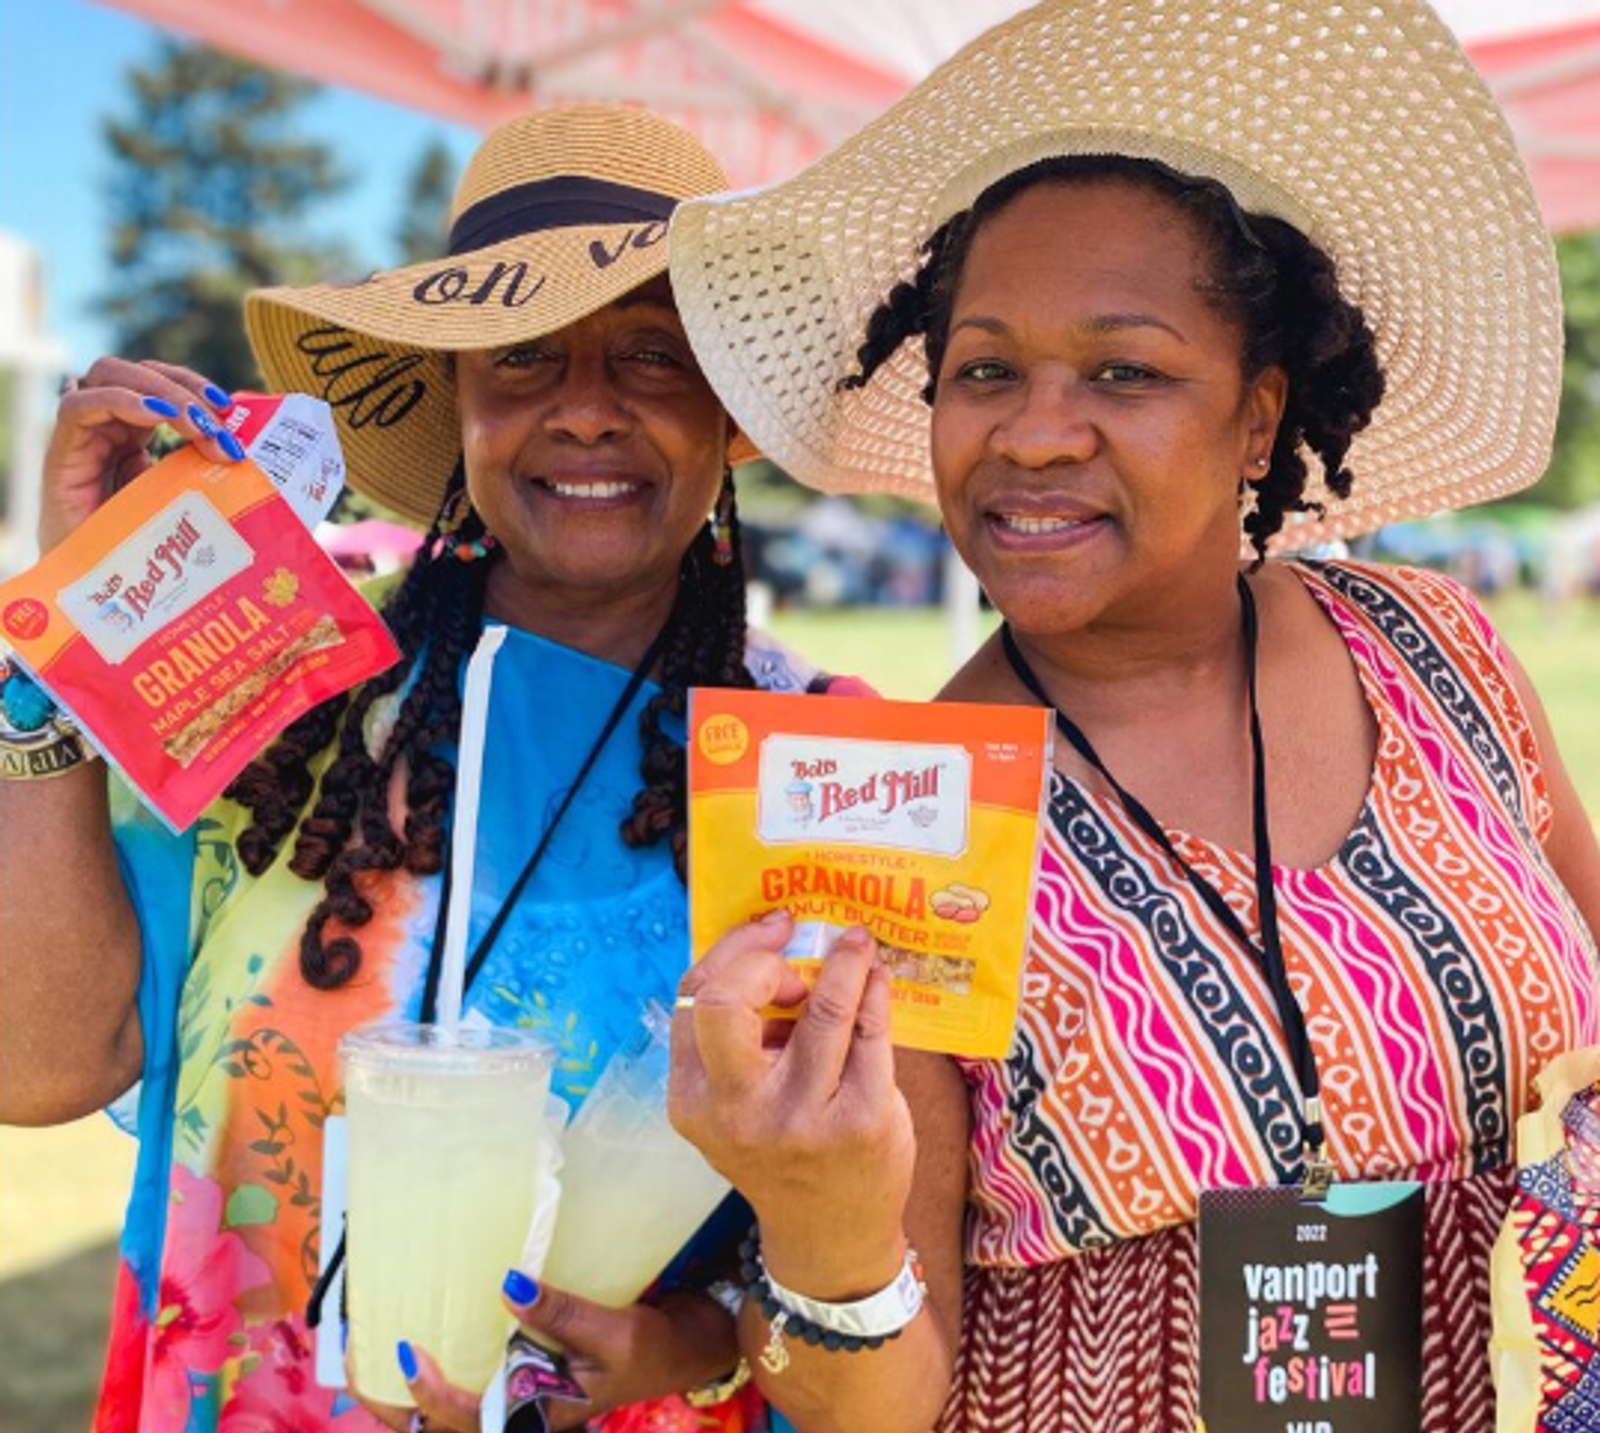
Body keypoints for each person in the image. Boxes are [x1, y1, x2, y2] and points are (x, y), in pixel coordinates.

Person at [662, 2, 1600, 1431]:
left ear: (1255, 415)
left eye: (1124, 370)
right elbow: (878, 1411)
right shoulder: (896, 819)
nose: (1034, 431)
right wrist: (821, 1224)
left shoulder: (1439, 650)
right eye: (983, 368)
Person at [0, 103, 863, 1433]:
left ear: (733, 410)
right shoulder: (280, 683)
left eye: (652, 355)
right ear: (458, 392)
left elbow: (862, 1244)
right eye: (521, 357)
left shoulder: (826, 761)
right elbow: (42, 1066)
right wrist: (60, 622)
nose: (585, 409)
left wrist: (680, 1338)